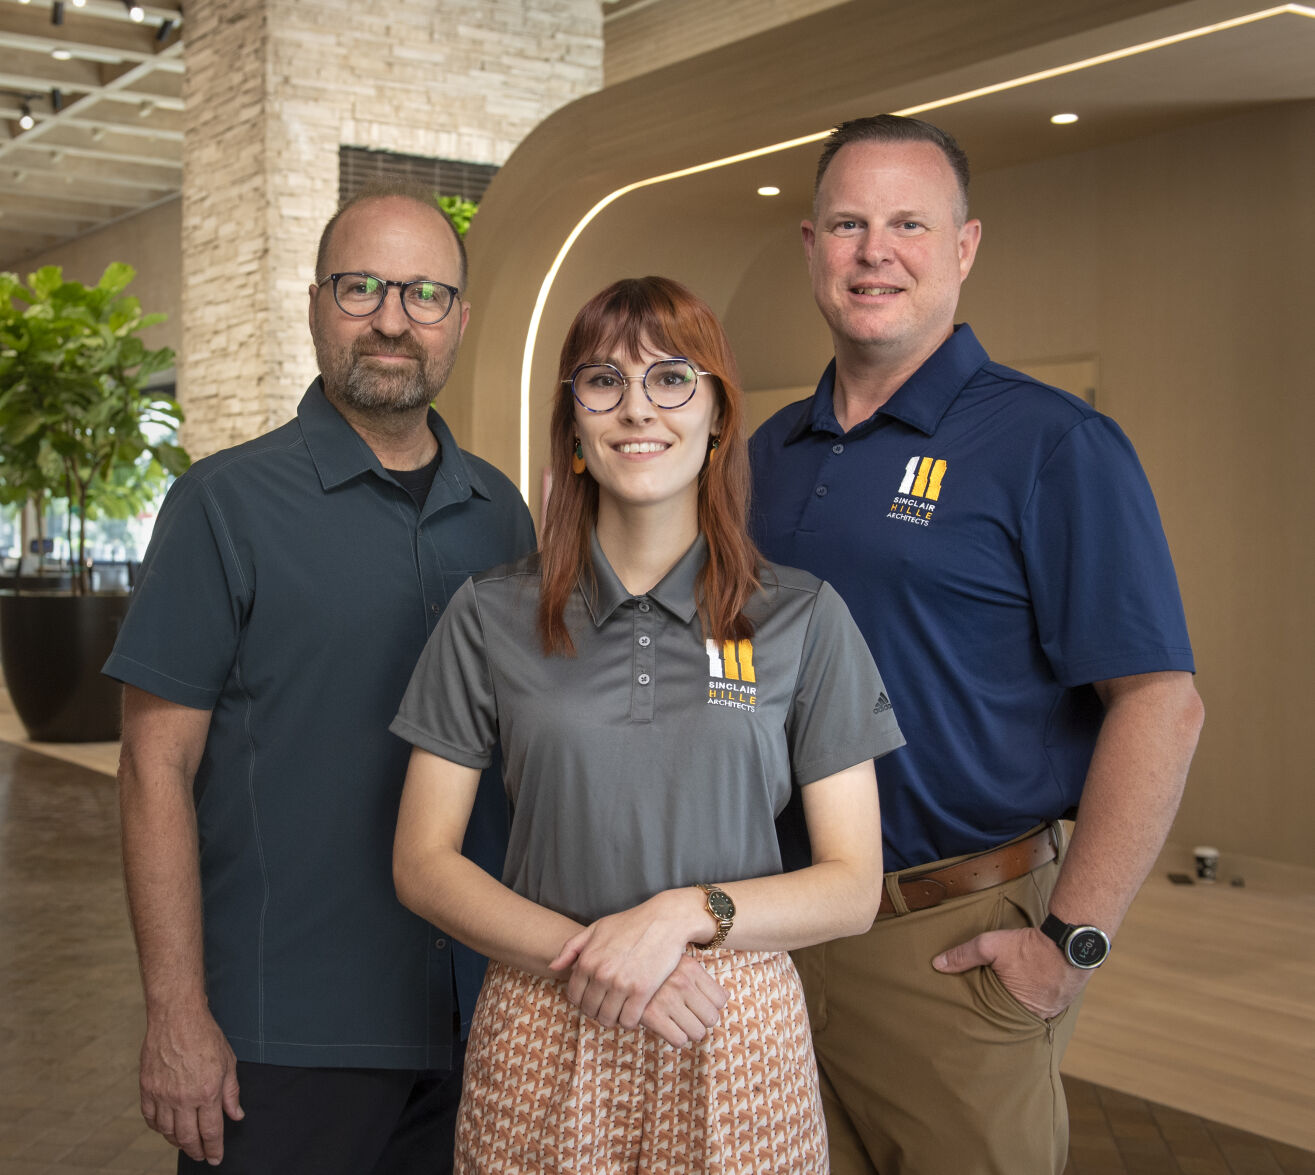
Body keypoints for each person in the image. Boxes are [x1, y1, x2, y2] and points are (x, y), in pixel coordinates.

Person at [747, 114, 1205, 1174]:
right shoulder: (762, 454)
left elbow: (1159, 703)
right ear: (808, 246)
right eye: (848, 222)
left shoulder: (1053, 445)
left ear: (962, 246)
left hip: (944, 944)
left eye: (908, 222)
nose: (875, 251)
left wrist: (1068, 943)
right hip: (775, 932)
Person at [391, 276, 903, 1174]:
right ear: (574, 427)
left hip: (730, 1019)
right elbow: (422, 862)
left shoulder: (802, 617)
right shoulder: (488, 614)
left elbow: (853, 885)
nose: (637, 409)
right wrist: (595, 954)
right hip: (544, 1015)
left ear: (716, 419)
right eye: (602, 381)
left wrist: (677, 918)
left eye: (672, 379)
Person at [102, 184, 537, 1174]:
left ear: (458, 320)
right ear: (313, 304)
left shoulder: (501, 515)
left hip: (475, 1021)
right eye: (361, 287)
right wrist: (175, 1015)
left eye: (425, 293)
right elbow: (151, 771)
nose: (392, 318)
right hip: (282, 1036)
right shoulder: (222, 506)